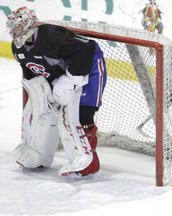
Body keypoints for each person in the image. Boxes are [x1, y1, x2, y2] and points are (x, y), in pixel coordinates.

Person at [6, 6, 107, 178]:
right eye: (13, 29)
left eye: (19, 27)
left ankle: (87, 161)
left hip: (89, 68)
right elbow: (32, 70)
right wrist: (43, 89)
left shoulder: (50, 37)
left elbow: (86, 50)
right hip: (61, 74)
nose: (16, 32)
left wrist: (68, 80)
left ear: (30, 24)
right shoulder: (18, 49)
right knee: (41, 112)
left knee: (80, 115)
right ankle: (39, 154)